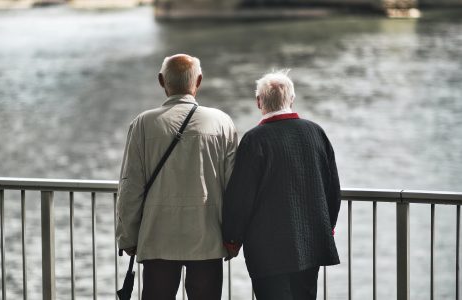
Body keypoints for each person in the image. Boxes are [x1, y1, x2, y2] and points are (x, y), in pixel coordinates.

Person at [116, 54, 237, 300]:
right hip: (207, 239)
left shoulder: (143, 124)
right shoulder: (222, 123)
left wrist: (127, 235)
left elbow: (131, 186)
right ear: (199, 81)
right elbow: (234, 188)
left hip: (158, 239)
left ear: (162, 81)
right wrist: (233, 237)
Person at [222, 70, 341, 300]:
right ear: (292, 99)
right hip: (310, 244)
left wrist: (232, 239)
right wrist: (328, 227)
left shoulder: (255, 140)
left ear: (259, 102)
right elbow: (332, 190)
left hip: (267, 250)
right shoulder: (316, 132)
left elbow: (241, 196)